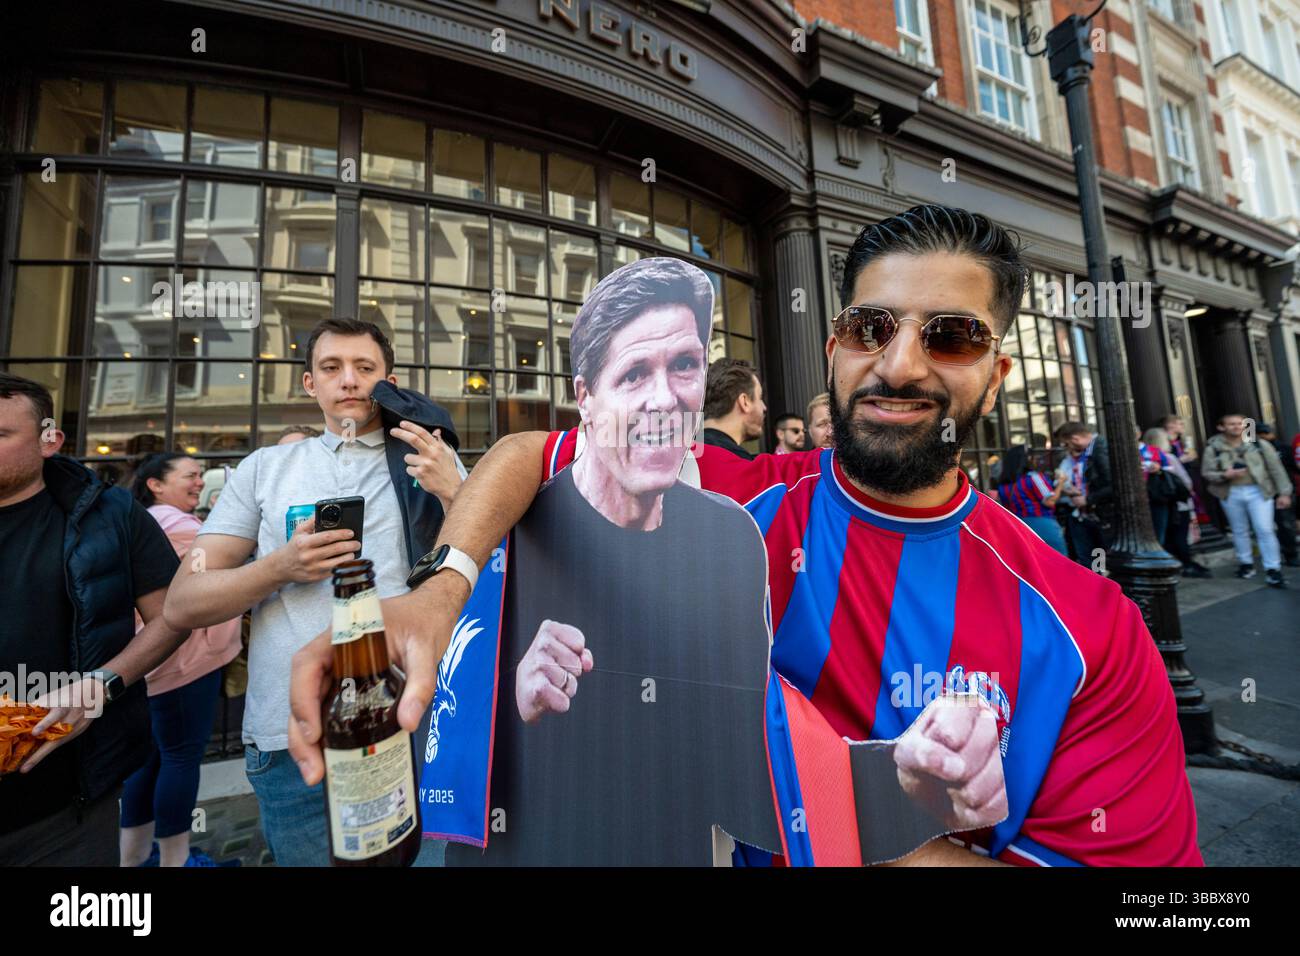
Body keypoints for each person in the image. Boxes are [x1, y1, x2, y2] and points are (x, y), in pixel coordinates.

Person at [290, 205, 1202, 866]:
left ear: (998, 374)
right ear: (836, 346)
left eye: (952, 336)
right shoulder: (735, 500)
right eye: (871, 327)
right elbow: (531, 451)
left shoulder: (1089, 629)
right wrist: (445, 590)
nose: (900, 362)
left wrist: (807, 777)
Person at [162, 318, 464, 866]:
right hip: (290, 737)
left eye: (365, 368)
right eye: (331, 368)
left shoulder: (431, 463)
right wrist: (276, 567)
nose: (349, 380)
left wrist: (456, 493)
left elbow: (481, 575)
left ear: (388, 380)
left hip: (413, 724)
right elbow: (183, 602)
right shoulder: (265, 469)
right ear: (309, 384)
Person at [0, 373, 188, 866]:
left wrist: (100, 686)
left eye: (1, 435)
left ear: (50, 440)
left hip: (65, 809)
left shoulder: (111, 514)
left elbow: (174, 615)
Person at [117, 454, 244, 867]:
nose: (197, 482)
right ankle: (176, 860)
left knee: (150, 758)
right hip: (186, 661)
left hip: (152, 662)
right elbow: (235, 560)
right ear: (156, 484)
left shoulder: (146, 520)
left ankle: (133, 856)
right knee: (182, 757)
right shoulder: (182, 527)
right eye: (189, 476)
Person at [1202, 413, 1292, 587]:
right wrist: (1224, 474)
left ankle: (1273, 569)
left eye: (1240, 423)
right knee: (1238, 530)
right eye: (1231, 424)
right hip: (1230, 492)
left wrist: (1284, 493)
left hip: (1259, 491)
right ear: (1222, 427)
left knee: (1264, 529)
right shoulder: (1214, 447)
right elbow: (1207, 472)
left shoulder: (1259, 444)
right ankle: (1246, 564)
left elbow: (1276, 469)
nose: (1236, 427)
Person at [1143, 428, 1204, 576]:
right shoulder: (1168, 457)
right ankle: (1185, 564)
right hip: (1177, 505)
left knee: (1167, 537)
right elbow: (1185, 482)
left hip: (1160, 505)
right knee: (1180, 536)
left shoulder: (1146, 460)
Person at [1053, 422, 1113, 567]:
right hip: (1083, 514)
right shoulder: (1088, 452)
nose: (1068, 449)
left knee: (1099, 559)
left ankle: (1101, 585)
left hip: (1099, 514)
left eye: (1067, 444)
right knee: (1089, 559)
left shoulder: (1099, 449)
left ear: (1075, 439)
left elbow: (1112, 484)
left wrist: (1087, 499)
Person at [992, 445, 1068, 555]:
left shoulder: (1004, 485)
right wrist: (1061, 482)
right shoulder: (1033, 477)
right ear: (1026, 459)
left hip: (1018, 527)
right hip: (1042, 524)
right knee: (1059, 563)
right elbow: (1049, 501)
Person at [700, 358, 766, 459]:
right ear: (744, 402)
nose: (764, 407)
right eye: (760, 397)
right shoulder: (743, 466)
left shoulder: (678, 458)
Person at [1139, 428, 1190, 554]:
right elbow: (1184, 482)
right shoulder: (1166, 456)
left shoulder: (1159, 455)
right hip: (1161, 501)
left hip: (1162, 501)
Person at [1259, 423, 1298, 567]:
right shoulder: (1252, 449)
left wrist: (1288, 491)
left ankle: (1291, 555)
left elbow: (1294, 468)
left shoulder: (1282, 448)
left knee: (1285, 524)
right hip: (1261, 492)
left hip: (1282, 491)